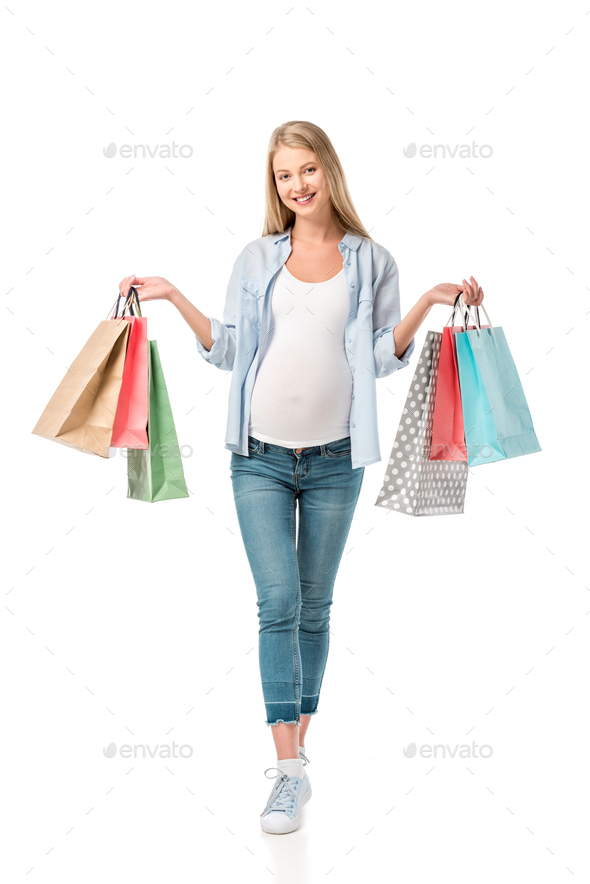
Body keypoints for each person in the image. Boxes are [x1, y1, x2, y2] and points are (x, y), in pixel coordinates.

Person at [118, 120, 484, 835]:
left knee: (315, 608)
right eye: (285, 175)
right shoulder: (257, 258)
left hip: (334, 460)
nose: (298, 185)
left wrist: (429, 303)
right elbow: (228, 349)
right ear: (275, 183)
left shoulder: (371, 260)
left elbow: (380, 356)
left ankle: (297, 755)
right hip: (257, 454)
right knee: (277, 602)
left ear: (329, 171)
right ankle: (286, 774)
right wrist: (171, 296)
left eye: (307, 169)